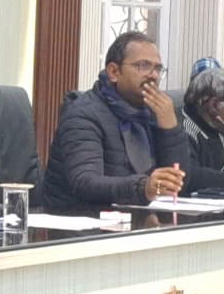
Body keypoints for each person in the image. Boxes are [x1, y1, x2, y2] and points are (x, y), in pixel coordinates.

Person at [42, 31, 189, 210]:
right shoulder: (83, 114)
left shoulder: (154, 112)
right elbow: (85, 183)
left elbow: (175, 186)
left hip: (136, 217)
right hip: (78, 219)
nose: (153, 76)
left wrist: (170, 130)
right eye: (143, 66)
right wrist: (143, 188)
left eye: (158, 69)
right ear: (114, 72)